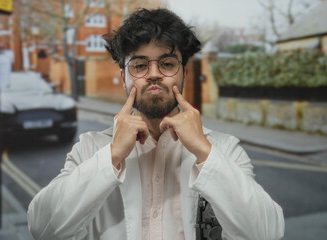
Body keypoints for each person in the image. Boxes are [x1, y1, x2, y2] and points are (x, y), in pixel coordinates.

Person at [27, 8, 285, 240]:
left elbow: (266, 233)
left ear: (183, 72)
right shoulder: (90, 148)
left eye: (167, 63)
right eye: (139, 65)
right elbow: (42, 228)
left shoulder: (224, 149)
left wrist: (205, 152)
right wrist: (112, 156)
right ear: (123, 77)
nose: (153, 73)